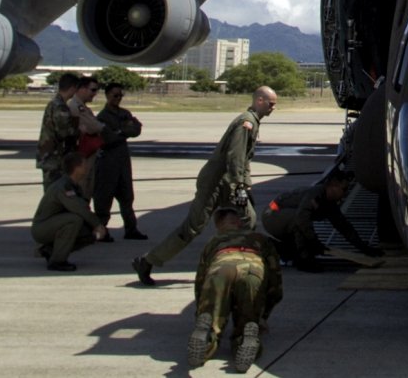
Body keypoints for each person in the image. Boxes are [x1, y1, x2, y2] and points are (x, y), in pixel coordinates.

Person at [134, 86, 277, 285]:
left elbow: (241, 160)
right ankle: (148, 261)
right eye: (271, 104)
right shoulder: (247, 123)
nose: (273, 108)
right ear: (260, 100)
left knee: (248, 220)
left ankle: (234, 264)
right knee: (194, 226)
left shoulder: (251, 121)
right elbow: (235, 157)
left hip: (227, 181)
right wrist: (240, 186)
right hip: (219, 182)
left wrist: (244, 184)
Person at [187, 205, 283, 372]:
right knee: (247, 323)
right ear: (239, 222)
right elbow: (275, 278)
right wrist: (263, 315)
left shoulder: (215, 240)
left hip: (222, 266)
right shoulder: (259, 237)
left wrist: (201, 311)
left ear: (219, 225)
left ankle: (207, 334)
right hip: (252, 269)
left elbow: (201, 280)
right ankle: (246, 337)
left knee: (212, 315)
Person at [260, 170, 382, 270]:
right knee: (300, 222)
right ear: (333, 185)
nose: (344, 194)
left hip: (283, 219)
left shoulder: (329, 204)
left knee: (300, 238)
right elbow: (301, 220)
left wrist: (364, 248)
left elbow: (344, 227)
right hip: (272, 215)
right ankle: (304, 261)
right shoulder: (316, 194)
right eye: (343, 189)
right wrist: (314, 242)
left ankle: (281, 249)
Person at [32, 151, 108, 271]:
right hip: (42, 228)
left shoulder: (73, 185)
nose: (87, 167)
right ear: (76, 168)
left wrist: (96, 229)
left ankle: (50, 250)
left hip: (54, 224)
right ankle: (57, 261)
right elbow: (79, 208)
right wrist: (98, 224)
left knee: (89, 233)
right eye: (84, 165)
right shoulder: (64, 187)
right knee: (74, 220)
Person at [93, 80, 147, 239]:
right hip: (107, 162)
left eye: (120, 95)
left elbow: (136, 129)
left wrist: (120, 131)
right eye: (115, 95)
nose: (118, 98)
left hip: (122, 161)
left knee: (127, 197)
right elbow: (107, 138)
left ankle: (131, 229)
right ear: (107, 96)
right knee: (104, 198)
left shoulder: (124, 113)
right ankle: (102, 231)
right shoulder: (102, 117)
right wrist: (125, 130)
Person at [36, 72, 82, 185]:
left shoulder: (54, 103)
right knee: (54, 193)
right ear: (72, 88)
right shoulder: (60, 107)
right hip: (54, 158)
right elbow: (64, 132)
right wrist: (79, 131)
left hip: (49, 156)